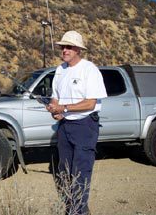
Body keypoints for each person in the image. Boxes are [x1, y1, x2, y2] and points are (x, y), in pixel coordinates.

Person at [46, 30, 107, 215]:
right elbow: (55, 97)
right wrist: (54, 109)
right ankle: (78, 206)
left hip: (85, 126)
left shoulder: (90, 70)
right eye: (63, 46)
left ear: (78, 49)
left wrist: (63, 108)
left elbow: (91, 103)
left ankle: (77, 211)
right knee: (65, 171)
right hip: (65, 127)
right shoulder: (59, 70)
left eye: (69, 46)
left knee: (80, 172)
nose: (65, 50)